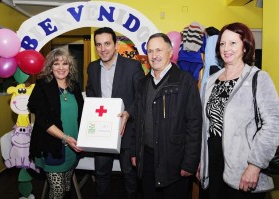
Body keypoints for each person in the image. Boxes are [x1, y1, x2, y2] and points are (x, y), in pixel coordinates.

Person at [199, 22, 279, 199]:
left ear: (245, 47)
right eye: (222, 43)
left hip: (243, 167)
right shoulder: (211, 81)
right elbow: (206, 127)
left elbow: (273, 125)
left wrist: (255, 165)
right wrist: (202, 161)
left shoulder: (258, 78)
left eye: (233, 43)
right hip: (213, 164)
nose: (226, 48)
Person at [131, 33, 203, 199]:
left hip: (175, 160)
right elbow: (137, 121)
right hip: (147, 158)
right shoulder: (143, 84)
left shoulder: (185, 81)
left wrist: (190, 162)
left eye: (159, 50)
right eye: (150, 51)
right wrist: (135, 152)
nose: (154, 55)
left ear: (170, 52)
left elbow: (194, 124)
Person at [86, 27, 144, 199]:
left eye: (107, 44)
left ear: (116, 45)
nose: (102, 49)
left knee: (129, 174)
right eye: (98, 45)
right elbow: (90, 91)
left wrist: (128, 113)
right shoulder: (92, 68)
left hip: (126, 128)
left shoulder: (133, 66)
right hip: (102, 131)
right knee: (101, 173)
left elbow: (141, 96)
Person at [28, 48, 84, 199]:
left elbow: (82, 114)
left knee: (66, 187)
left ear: (70, 66)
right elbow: (43, 120)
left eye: (65, 63)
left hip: (74, 147)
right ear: (50, 67)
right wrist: (65, 138)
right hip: (52, 147)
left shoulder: (74, 87)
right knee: (57, 191)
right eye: (56, 63)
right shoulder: (42, 87)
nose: (61, 67)